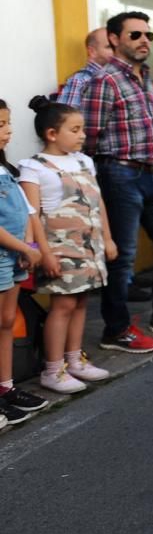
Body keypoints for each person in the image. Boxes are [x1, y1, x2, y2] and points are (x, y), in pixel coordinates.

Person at [80, 11, 153, 353]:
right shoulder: (104, 80)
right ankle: (116, 330)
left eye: (148, 35)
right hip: (120, 173)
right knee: (124, 257)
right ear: (115, 39)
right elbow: (89, 135)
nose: (144, 40)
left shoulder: (144, 76)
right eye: (135, 35)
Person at [19, 98, 115, 394]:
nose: (82, 135)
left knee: (82, 301)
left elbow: (98, 202)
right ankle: (53, 368)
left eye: (82, 129)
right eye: (74, 130)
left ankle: (75, 359)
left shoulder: (85, 161)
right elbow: (32, 215)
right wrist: (43, 252)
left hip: (90, 246)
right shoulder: (34, 168)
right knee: (62, 305)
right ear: (51, 133)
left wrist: (108, 238)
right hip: (60, 249)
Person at [0, 101, 49, 429]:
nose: (9, 131)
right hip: (5, 255)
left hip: (16, 255)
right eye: (2, 124)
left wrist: (30, 246)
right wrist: (25, 249)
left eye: (8, 123)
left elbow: (25, 212)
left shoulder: (5, 170)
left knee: (6, 321)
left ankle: (6, 387)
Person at [57, 27, 113, 108]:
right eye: (109, 47)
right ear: (92, 52)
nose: (117, 50)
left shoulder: (120, 76)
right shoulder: (81, 80)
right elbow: (68, 119)